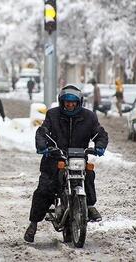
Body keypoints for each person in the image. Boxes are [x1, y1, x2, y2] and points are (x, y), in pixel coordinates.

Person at [24, 84, 108, 243]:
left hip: (78, 158)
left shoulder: (89, 117)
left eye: (73, 102)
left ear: (79, 102)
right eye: (67, 102)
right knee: (45, 189)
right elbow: (43, 132)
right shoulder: (53, 115)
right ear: (61, 102)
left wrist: (100, 146)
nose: (70, 105)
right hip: (55, 159)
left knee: (89, 175)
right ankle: (33, 224)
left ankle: (89, 206)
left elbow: (100, 133)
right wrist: (43, 146)